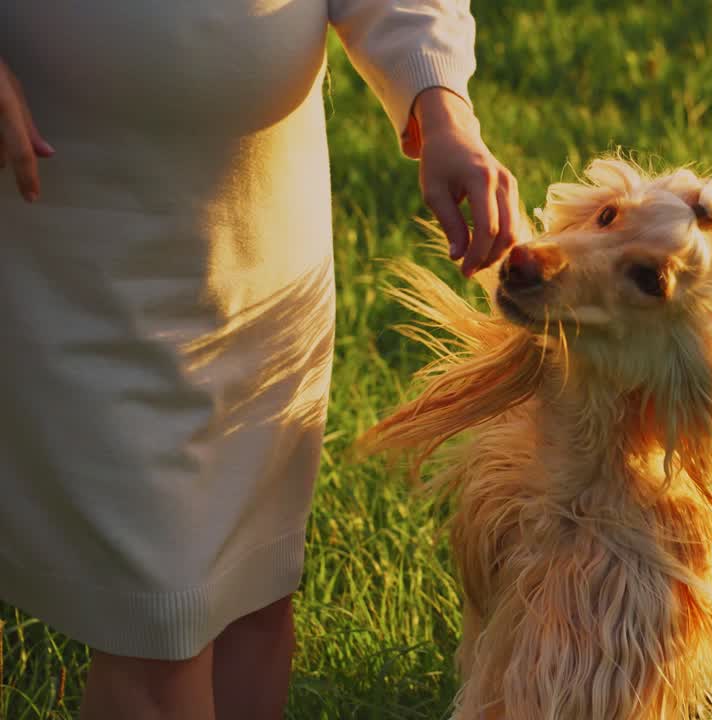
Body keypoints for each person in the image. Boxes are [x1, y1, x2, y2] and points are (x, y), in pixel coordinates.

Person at [0, 2, 521, 718]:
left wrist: (442, 107)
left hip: (260, 237)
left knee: (251, 596)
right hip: (75, 231)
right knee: (161, 627)